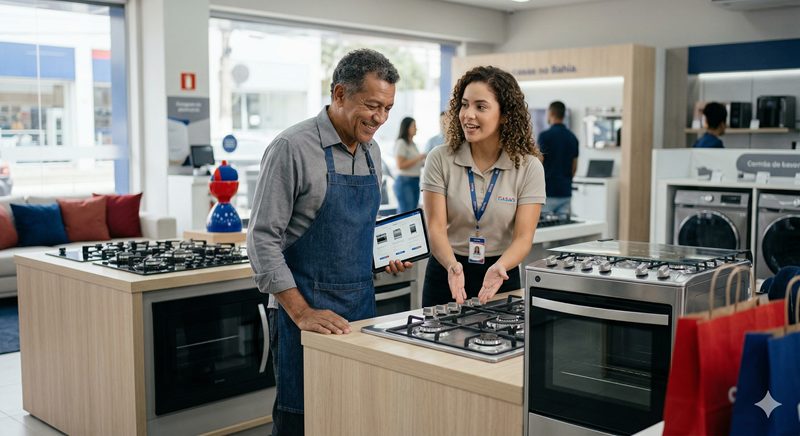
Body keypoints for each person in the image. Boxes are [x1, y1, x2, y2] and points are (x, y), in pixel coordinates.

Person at [246, 48, 412, 436]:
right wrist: (302, 313)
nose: (380, 118)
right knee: (302, 419)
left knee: (355, 415)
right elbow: (262, 240)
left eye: (387, 108)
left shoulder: (373, 152)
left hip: (361, 311)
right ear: (339, 94)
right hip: (303, 315)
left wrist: (383, 256)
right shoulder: (291, 148)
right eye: (372, 105)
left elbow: (357, 232)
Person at [421, 65, 546, 307]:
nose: (468, 114)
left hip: (500, 273)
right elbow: (435, 227)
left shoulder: (528, 167)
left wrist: (501, 267)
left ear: (505, 115)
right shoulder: (439, 158)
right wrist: (451, 265)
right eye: (464, 104)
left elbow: (523, 237)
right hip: (447, 270)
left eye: (481, 107)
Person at [537, 101, 578, 216]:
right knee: (562, 230)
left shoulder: (545, 136)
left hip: (547, 191)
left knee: (544, 228)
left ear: (551, 113)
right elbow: (574, 166)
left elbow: (538, 163)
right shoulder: (572, 137)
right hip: (565, 192)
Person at [393, 117, 426, 213]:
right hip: (405, 182)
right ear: (407, 127)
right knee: (406, 214)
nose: (416, 128)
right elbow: (401, 165)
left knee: (413, 213)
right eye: (414, 126)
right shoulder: (401, 143)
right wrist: (420, 157)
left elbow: (415, 163)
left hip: (415, 181)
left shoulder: (412, 144)